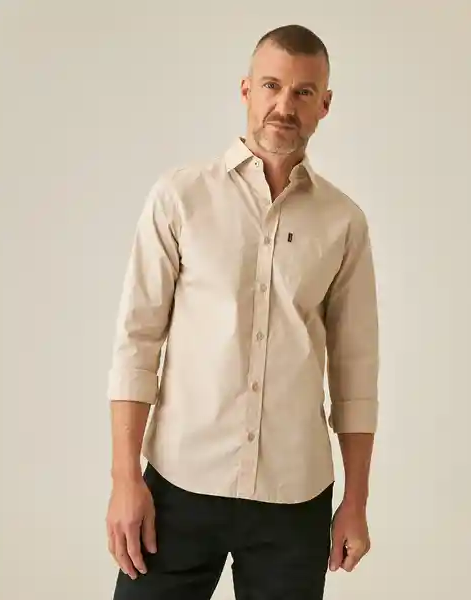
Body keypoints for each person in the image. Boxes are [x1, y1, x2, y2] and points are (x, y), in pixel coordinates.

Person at [105, 23, 379, 600]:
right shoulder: (180, 196)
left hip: (295, 499)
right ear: (246, 90)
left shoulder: (343, 221)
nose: (285, 106)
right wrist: (125, 478)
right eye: (272, 86)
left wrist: (355, 501)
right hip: (179, 487)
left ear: (325, 104)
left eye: (304, 92)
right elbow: (137, 343)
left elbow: (355, 371)